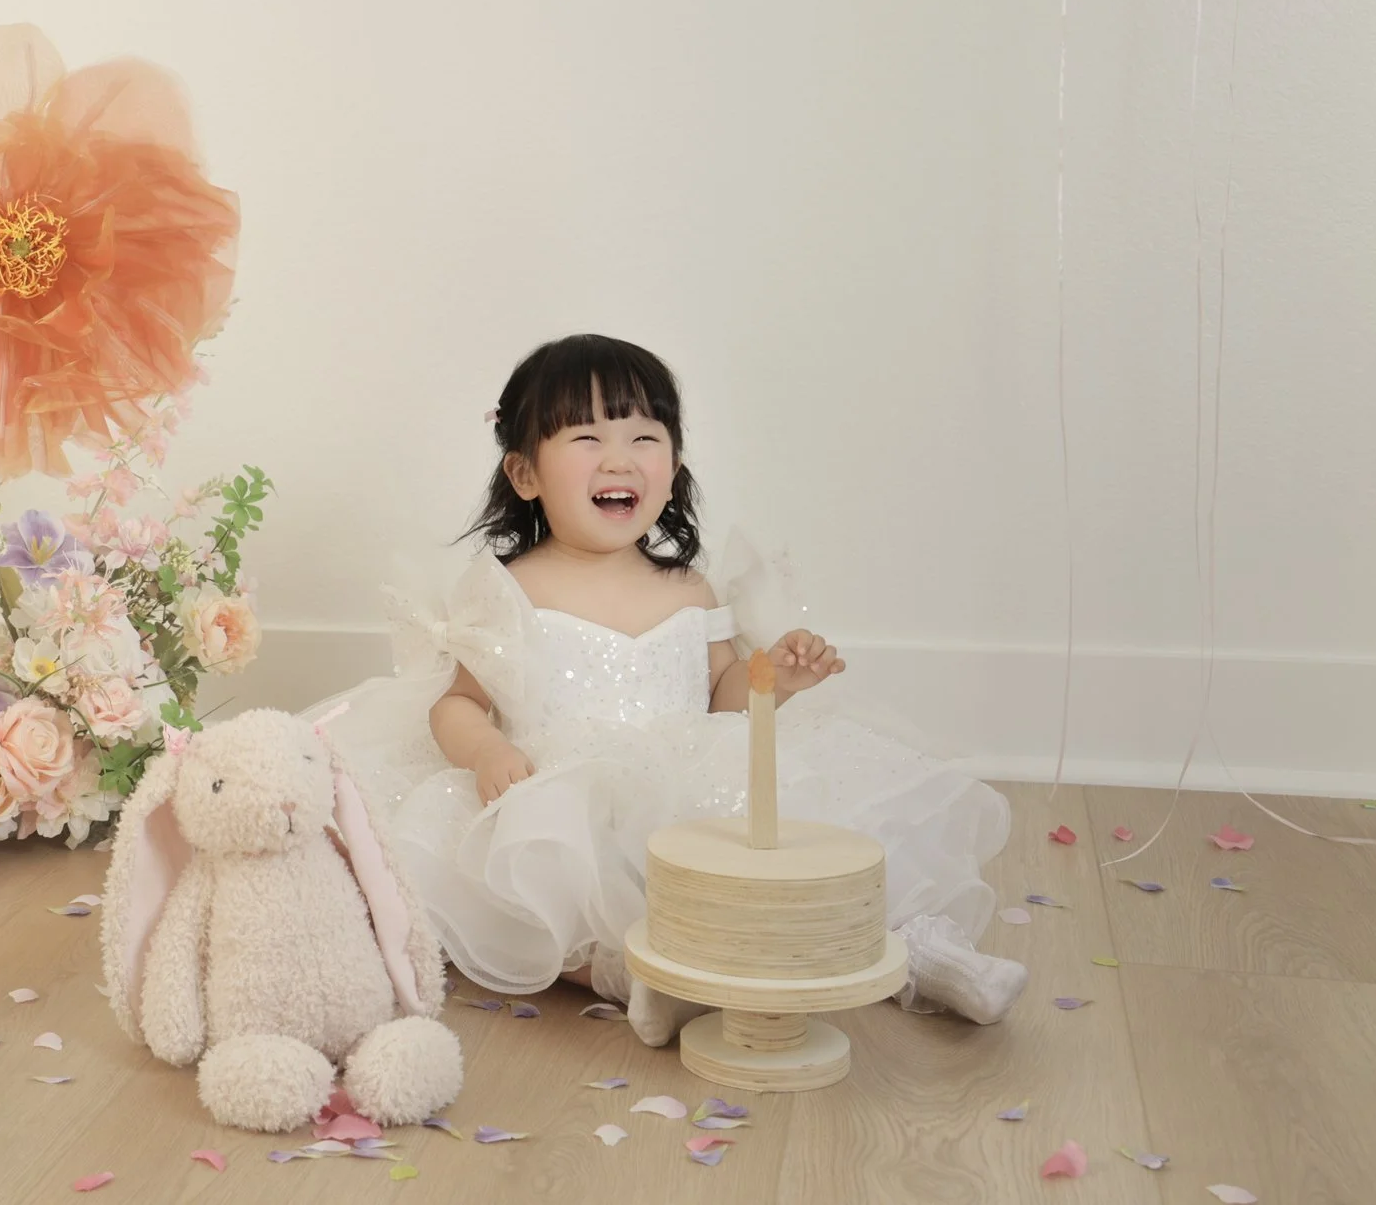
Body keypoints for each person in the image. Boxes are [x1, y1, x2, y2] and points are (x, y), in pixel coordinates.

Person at [312, 333, 1025, 1044]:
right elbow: (459, 699)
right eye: (587, 436)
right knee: (551, 888)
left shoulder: (689, 586)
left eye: (643, 436)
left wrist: (773, 677)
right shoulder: (513, 589)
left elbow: (720, 694)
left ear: (674, 466)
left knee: (808, 844)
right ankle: (636, 975)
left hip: (693, 786)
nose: (619, 457)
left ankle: (921, 950)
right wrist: (487, 748)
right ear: (526, 473)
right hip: (566, 793)